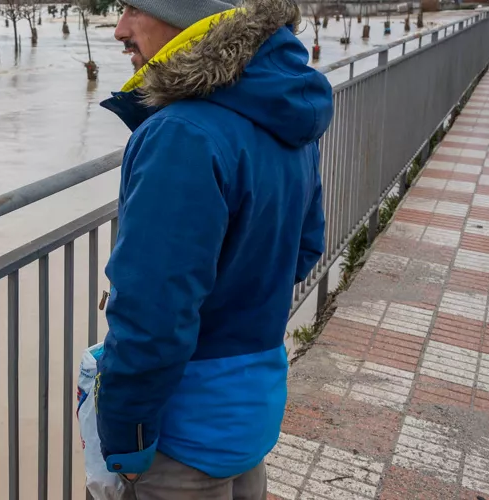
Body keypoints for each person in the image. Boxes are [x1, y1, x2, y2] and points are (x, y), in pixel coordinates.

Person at [95, 0, 331, 498]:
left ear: (190, 14)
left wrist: (125, 440)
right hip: (251, 410)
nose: (120, 29)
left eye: (134, 9)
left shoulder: (181, 133)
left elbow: (151, 319)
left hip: (179, 435)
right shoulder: (282, 109)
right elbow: (304, 250)